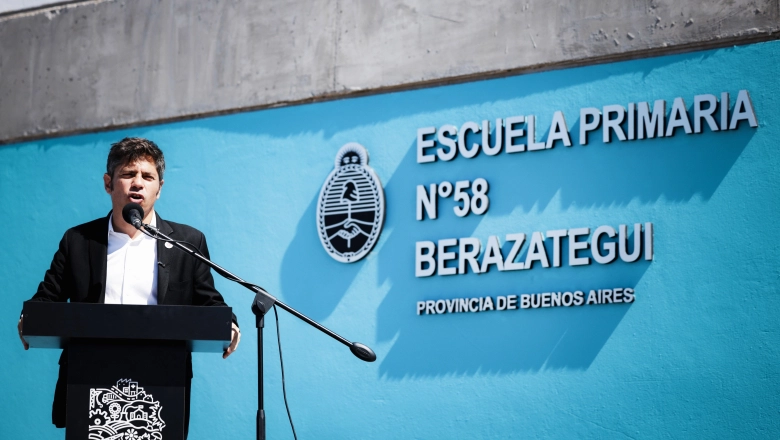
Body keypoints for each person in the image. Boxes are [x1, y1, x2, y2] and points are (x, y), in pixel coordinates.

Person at [17, 137, 240, 437]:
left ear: (159, 188)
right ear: (108, 183)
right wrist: (29, 318)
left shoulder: (186, 243)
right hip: (90, 385)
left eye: (147, 177)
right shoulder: (78, 241)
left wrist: (230, 325)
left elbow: (210, 301)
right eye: (128, 174)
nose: (138, 183)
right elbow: (46, 298)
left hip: (161, 389)